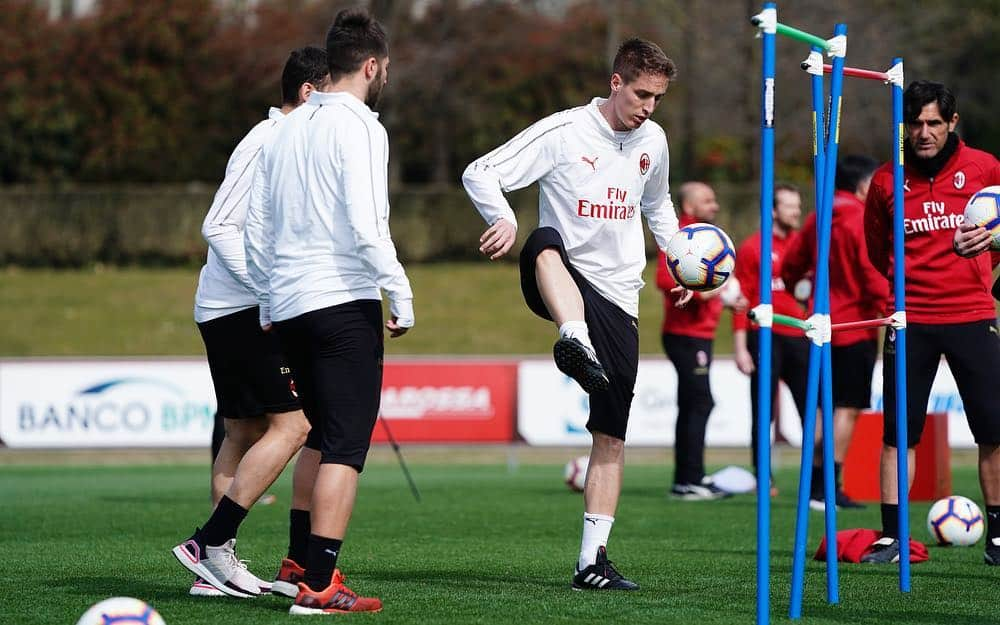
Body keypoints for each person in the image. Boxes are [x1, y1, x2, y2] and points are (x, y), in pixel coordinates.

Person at [463, 38, 687, 591]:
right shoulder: (562, 131)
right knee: (541, 237)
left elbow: (657, 205)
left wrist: (681, 259)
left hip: (619, 298)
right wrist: (503, 218)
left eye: (658, 98)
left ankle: (592, 562)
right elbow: (479, 172)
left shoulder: (653, 141)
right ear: (615, 83)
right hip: (558, 276)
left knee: (611, 436)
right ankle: (572, 337)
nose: (648, 107)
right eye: (641, 93)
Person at [245, 9, 412, 613]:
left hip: (289, 304)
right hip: (342, 300)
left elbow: (261, 224)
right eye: (385, 67)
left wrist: (267, 297)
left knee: (318, 436)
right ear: (372, 65)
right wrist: (402, 291)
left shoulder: (286, 127)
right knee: (344, 445)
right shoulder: (364, 126)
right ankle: (320, 584)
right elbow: (369, 225)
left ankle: (298, 568)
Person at [171, 46, 329, 599]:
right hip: (240, 310)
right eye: (330, 98)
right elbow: (218, 225)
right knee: (296, 427)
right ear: (309, 94)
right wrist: (269, 295)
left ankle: (211, 574)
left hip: (229, 308)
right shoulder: (265, 141)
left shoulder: (288, 144)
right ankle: (209, 544)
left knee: (242, 432)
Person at [862, 80, 1000, 564]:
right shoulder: (885, 180)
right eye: (915, 123)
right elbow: (878, 252)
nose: (923, 133)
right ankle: (893, 536)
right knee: (900, 433)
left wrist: (989, 265)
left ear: (952, 123)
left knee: (994, 429)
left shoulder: (985, 168)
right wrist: (909, 286)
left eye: (934, 123)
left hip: (973, 315)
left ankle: (999, 536)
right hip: (909, 320)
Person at [782, 155, 889, 511]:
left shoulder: (818, 218)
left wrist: (800, 292)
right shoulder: (860, 218)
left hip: (817, 325)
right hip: (853, 326)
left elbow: (791, 264)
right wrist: (888, 309)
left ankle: (812, 487)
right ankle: (828, 487)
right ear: (862, 186)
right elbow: (871, 269)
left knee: (820, 408)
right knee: (847, 408)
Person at [657, 182, 747, 500]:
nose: (716, 206)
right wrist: (720, 288)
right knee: (699, 402)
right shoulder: (681, 238)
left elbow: (707, 287)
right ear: (690, 207)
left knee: (694, 403)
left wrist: (723, 294)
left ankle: (689, 478)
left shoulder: (709, 238)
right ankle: (688, 480)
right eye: (708, 201)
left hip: (700, 336)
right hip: (685, 335)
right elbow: (665, 280)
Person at [732, 183, 810, 493]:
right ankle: (763, 475)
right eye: (790, 206)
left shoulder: (805, 246)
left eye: (798, 205)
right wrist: (740, 347)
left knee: (812, 408)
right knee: (763, 409)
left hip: (799, 334)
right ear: (774, 211)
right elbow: (742, 299)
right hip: (764, 335)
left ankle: (816, 477)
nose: (797, 211)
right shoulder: (753, 247)